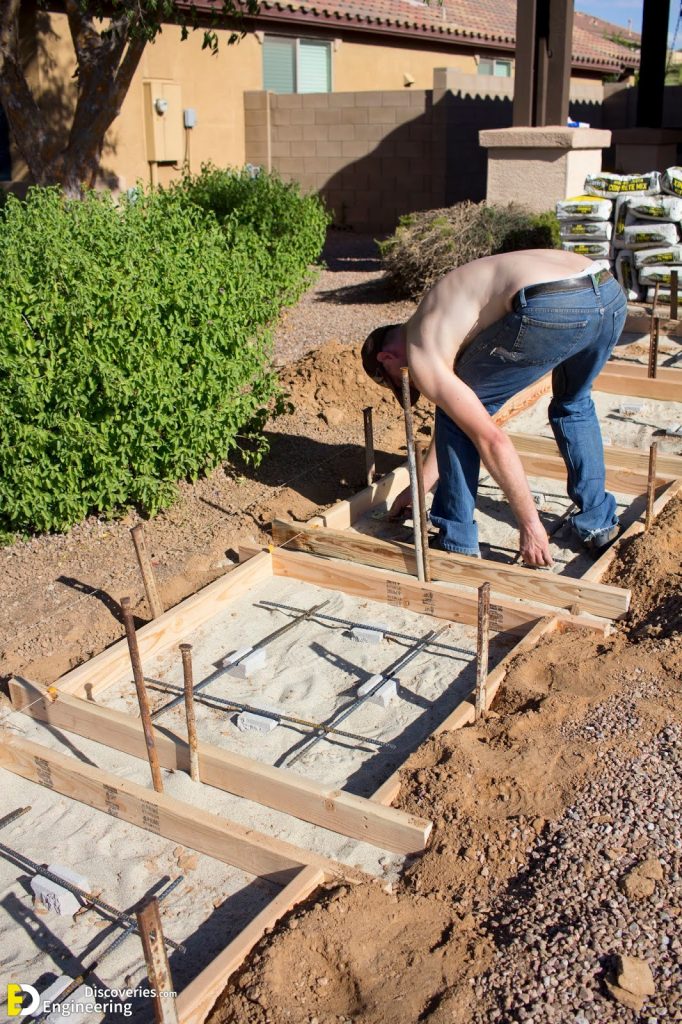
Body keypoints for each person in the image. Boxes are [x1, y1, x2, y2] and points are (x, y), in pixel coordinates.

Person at [361, 249, 627, 567]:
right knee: (573, 402)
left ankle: (456, 538)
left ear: (386, 359)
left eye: (397, 380)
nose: (410, 382)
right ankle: (599, 523)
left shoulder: (420, 349)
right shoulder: (442, 312)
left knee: (459, 416)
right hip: (608, 292)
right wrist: (418, 490)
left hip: (552, 304)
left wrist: (531, 526)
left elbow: (491, 438)